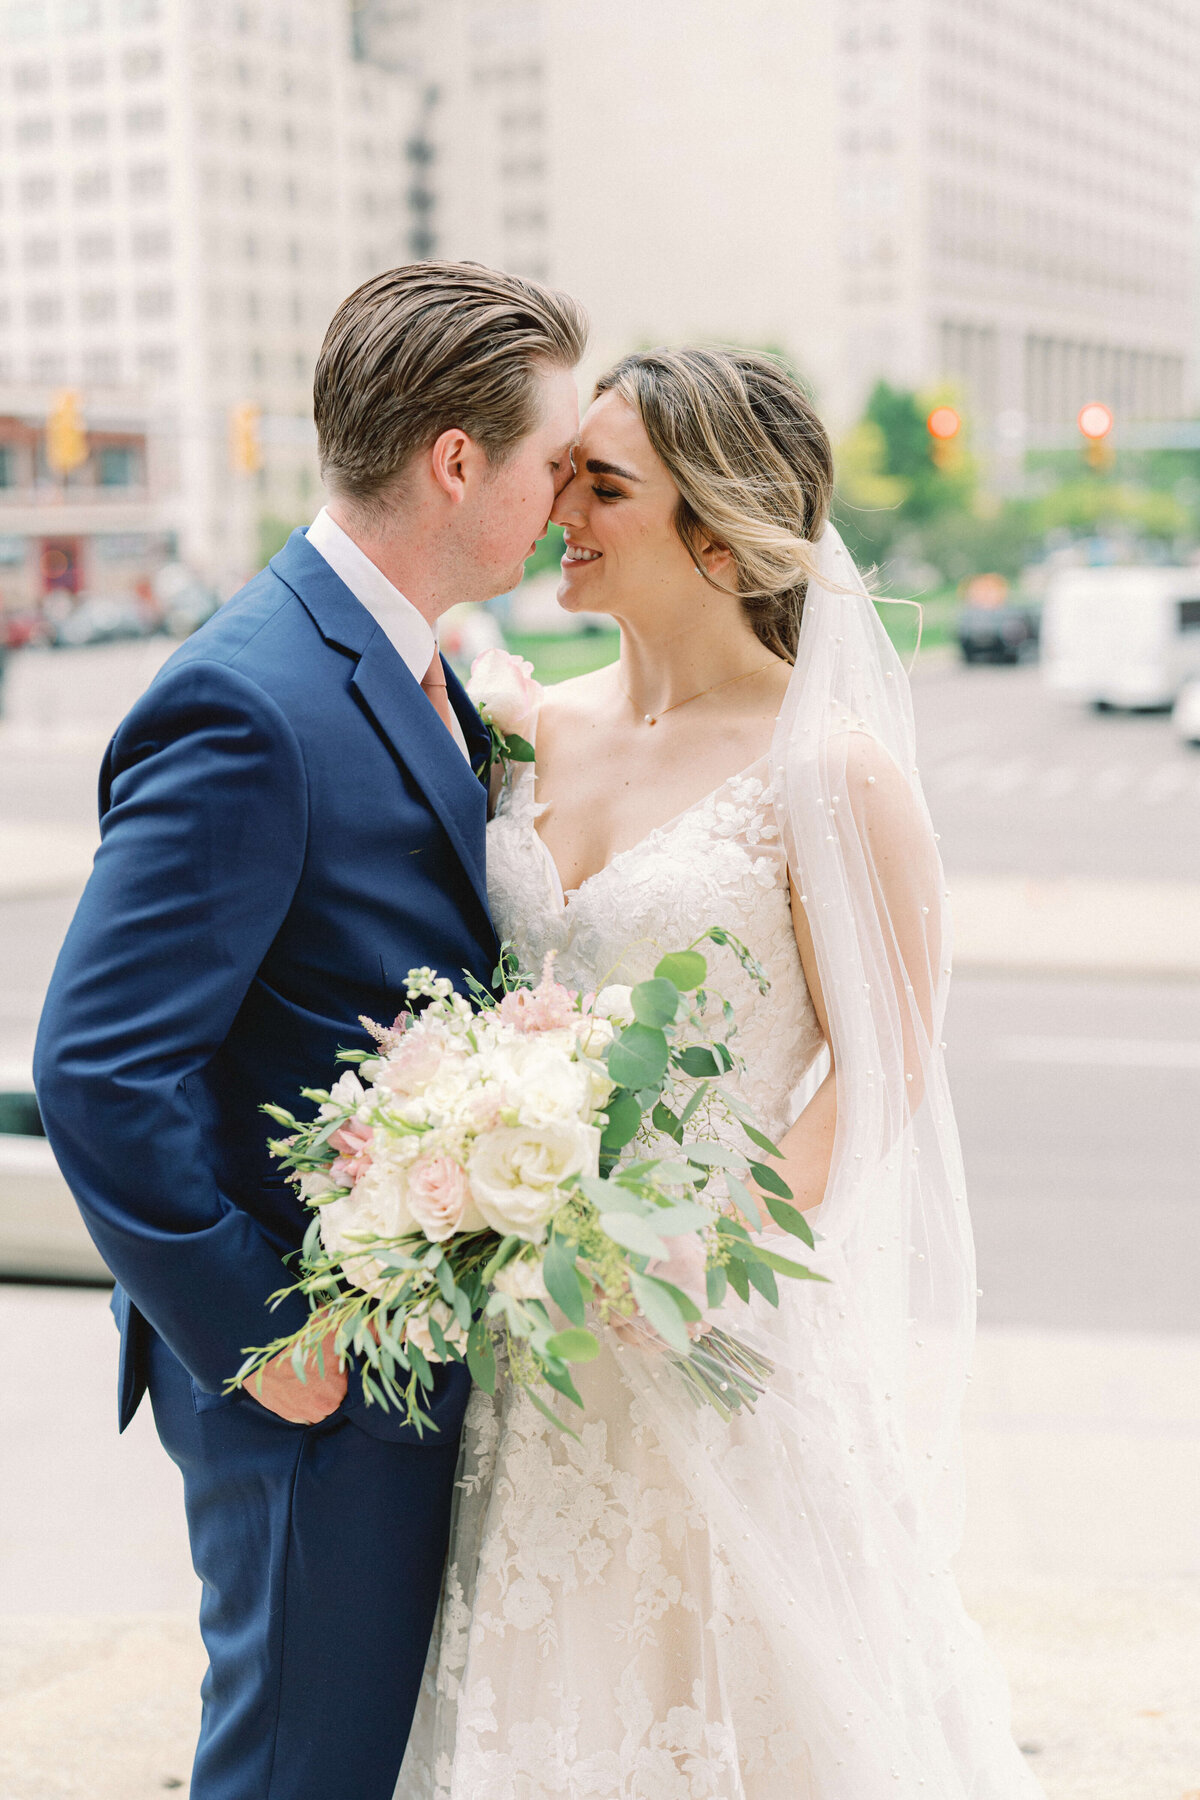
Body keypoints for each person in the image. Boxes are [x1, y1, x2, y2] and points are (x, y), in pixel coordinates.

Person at [400, 348, 1043, 1798]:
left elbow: (883, 1080)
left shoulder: (830, 772)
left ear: (719, 529)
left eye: (601, 483)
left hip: (713, 1343)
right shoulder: (523, 729)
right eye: (564, 471)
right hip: (531, 1347)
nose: (558, 501)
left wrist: (703, 1246)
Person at [33, 261, 584, 1800]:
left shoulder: (413, 658)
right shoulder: (250, 700)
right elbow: (96, 1065)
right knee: (297, 1770)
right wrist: (264, 1340)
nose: (562, 497)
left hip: (412, 1359)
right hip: (311, 1386)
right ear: (456, 461)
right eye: (549, 460)